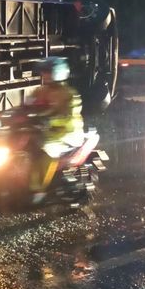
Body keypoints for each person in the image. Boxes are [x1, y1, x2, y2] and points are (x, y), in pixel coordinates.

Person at [24, 57, 84, 202]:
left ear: (57, 73)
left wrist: (49, 120)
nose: (44, 75)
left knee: (46, 150)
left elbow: (69, 117)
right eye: (43, 72)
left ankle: (39, 190)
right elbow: (27, 106)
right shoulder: (41, 91)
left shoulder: (70, 94)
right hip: (48, 130)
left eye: (47, 72)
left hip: (67, 133)